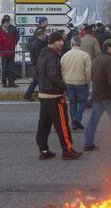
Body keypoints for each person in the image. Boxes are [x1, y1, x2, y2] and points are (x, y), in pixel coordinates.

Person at [36, 32, 82, 160]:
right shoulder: (53, 56)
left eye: (62, 40)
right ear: (52, 42)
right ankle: (67, 150)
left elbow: (37, 73)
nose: (62, 43)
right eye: (59, 41)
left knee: (44, 124)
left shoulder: (42, 55)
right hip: (54, 96)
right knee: (62, 124)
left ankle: (43, 150)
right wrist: (64, 87)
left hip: (43, 94)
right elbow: (53, 77)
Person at [84, 39, 111, 151]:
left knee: (93, 120)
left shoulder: (97, 59)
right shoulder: (110, 61)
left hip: (97, 94)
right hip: (108, 96)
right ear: (108, 48)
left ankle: (88, 143)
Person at [61, 36, 92, 131]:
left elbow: (62, 70)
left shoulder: (65, 55)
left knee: (72, 103)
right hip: (81, 82)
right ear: (80, 44)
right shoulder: (85, 55)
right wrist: (88, 81)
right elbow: (88, 71)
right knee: (83, 101)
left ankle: (74, 123)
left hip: (68, 82)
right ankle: (77, 119)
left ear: (71, 44)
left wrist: (64, 80)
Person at [24, 28, 47, 101]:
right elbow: (38, 56)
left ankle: (29, 94)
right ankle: (30, 95)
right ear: (41, 35)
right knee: (39, 81)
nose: (46, 36)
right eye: (44, 34)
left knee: (36, 81)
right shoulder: (38, 44)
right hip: (38, 65)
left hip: (36, 65)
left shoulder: (38, 42)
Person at [0, 17, 18, 87]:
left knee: (11, 68)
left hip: (11, 52)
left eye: (8, 23)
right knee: (4, 69)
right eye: (7, 23)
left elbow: (13, 39)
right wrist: (2, 50)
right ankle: (4, 82)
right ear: (3, 23)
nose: (8, 25)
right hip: (4, 53)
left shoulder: (10, 30)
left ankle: (11, 82)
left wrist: (13, 46)